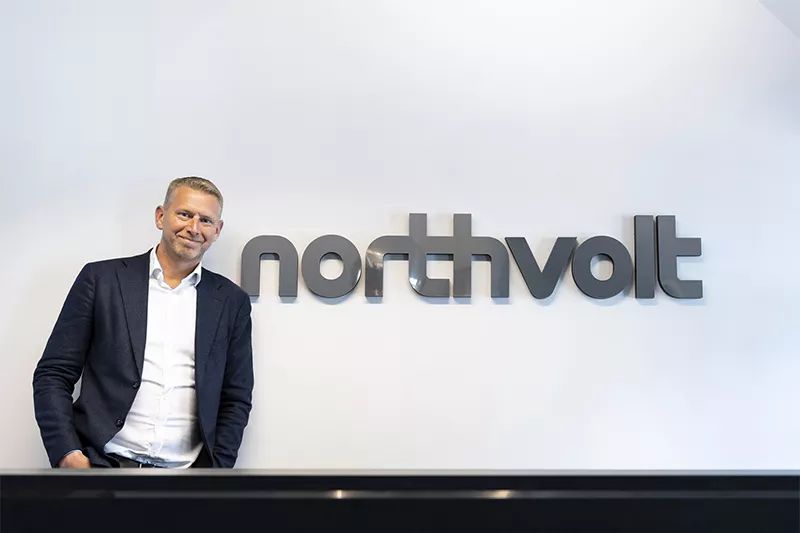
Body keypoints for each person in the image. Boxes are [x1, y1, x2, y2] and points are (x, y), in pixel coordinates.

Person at [33, 177, 253, 468]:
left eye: (206, 220)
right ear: (161, 216)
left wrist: (217, 471)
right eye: (184, 214)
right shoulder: (102, 280)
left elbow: (236, 397)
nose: (194, 228)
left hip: (188, 478)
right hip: (101, 468)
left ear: (217, 230)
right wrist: (67, 454)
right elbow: (53, 373)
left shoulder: (231, 301)